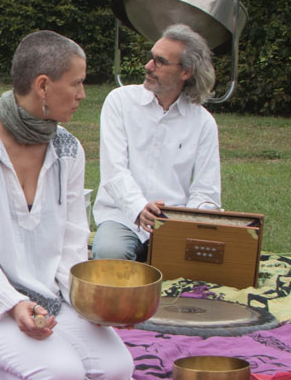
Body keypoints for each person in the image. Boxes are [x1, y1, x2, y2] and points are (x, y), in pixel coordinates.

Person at [0, 31, 134, 380]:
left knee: (115, 375)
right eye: (76, 83)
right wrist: (12, 304)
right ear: (43, 85)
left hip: (49, 296)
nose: (82, 95)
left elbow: (72, 240)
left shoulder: (69, 149)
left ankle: (23, 353)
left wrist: (90, 302)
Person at [91, 23, 221, 262]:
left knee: (200, 270)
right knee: (110, 254)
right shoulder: (119, 102)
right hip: (122, 216)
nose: (148, 66)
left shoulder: (203, 122)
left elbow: (206, 192)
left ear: (186, 72)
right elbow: (113, 171)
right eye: (151, 58)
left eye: (159, 61)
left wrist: (189, 225)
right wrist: (139, 207)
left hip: (174, 225)